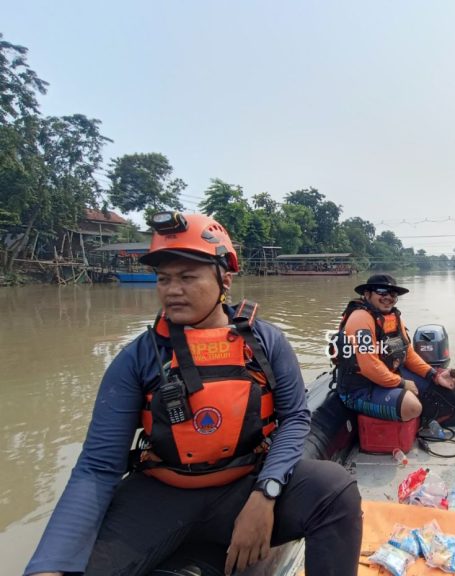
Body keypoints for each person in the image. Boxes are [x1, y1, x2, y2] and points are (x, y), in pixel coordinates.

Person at [25, 212, 362, 576]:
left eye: (187, 277)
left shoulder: (265, 342)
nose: (172, 290)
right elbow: (97, 467)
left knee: (335, 490)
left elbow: (296, 417)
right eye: (163, 278)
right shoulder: (137, 357)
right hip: (159, 495)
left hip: (243, 484)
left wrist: (266, 493)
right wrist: (49, 565)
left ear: (224, 280)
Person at [333, 274, 455, 423]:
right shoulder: (360, 319)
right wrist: (401, 383)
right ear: (367, 294)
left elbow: (408, 353)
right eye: (382, 291)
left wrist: (433, 374)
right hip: (359, 389)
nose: (388, 297)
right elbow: (369, 366)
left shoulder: (394, 317)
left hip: (388, 376)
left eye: (393, 293)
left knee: (440, 381)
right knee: (412, 406)